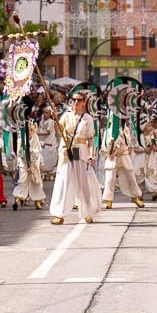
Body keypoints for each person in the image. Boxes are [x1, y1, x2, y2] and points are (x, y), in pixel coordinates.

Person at [50, 90, 102, 225]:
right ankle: (59, 214)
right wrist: (54, 118)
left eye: (78, 100)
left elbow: (90, 139)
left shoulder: (88, 118)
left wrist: (91, 154)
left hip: (80, 151)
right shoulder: (66, 116)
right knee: (64, 183)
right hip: (66, 152)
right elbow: (58, 131)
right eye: (73, 100)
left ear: (84, 103)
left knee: (83, 184)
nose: (75, 102)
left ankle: (87, 213)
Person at [101, 121, 144, 210]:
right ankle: (109, 200)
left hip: (124, 155)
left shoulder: (127, 129)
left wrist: (125, 136)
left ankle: (135, 197)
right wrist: (109, 151)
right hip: (113, 156)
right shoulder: (108, 130)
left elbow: (131, 143)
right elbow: (105, 144)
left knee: (131, 178)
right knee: (110, 179)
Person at [13, 115, 45, 209]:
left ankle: (37, 200)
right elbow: (18, 153)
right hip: (24, 164)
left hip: (34, 164)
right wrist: (18, 164)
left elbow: (39, 152)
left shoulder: (35, 139)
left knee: (35, 182)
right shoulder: (21, 140)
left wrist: (41, 163)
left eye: (31, 130)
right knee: (22, 181)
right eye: (27, 131)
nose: (29, 132)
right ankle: (17, 198)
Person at [37, 104, 59, 177]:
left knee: (49, 160)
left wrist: (37, 133)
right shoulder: (41, 122)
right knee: (43, 158)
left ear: (50, 114)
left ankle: (49, 174)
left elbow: (47, 132)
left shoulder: (51, 122)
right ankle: (43, 174)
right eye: (44, 112)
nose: (45, 114)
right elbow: (40, 129)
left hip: (49, 142)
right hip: (42, 143)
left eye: (47, 113)